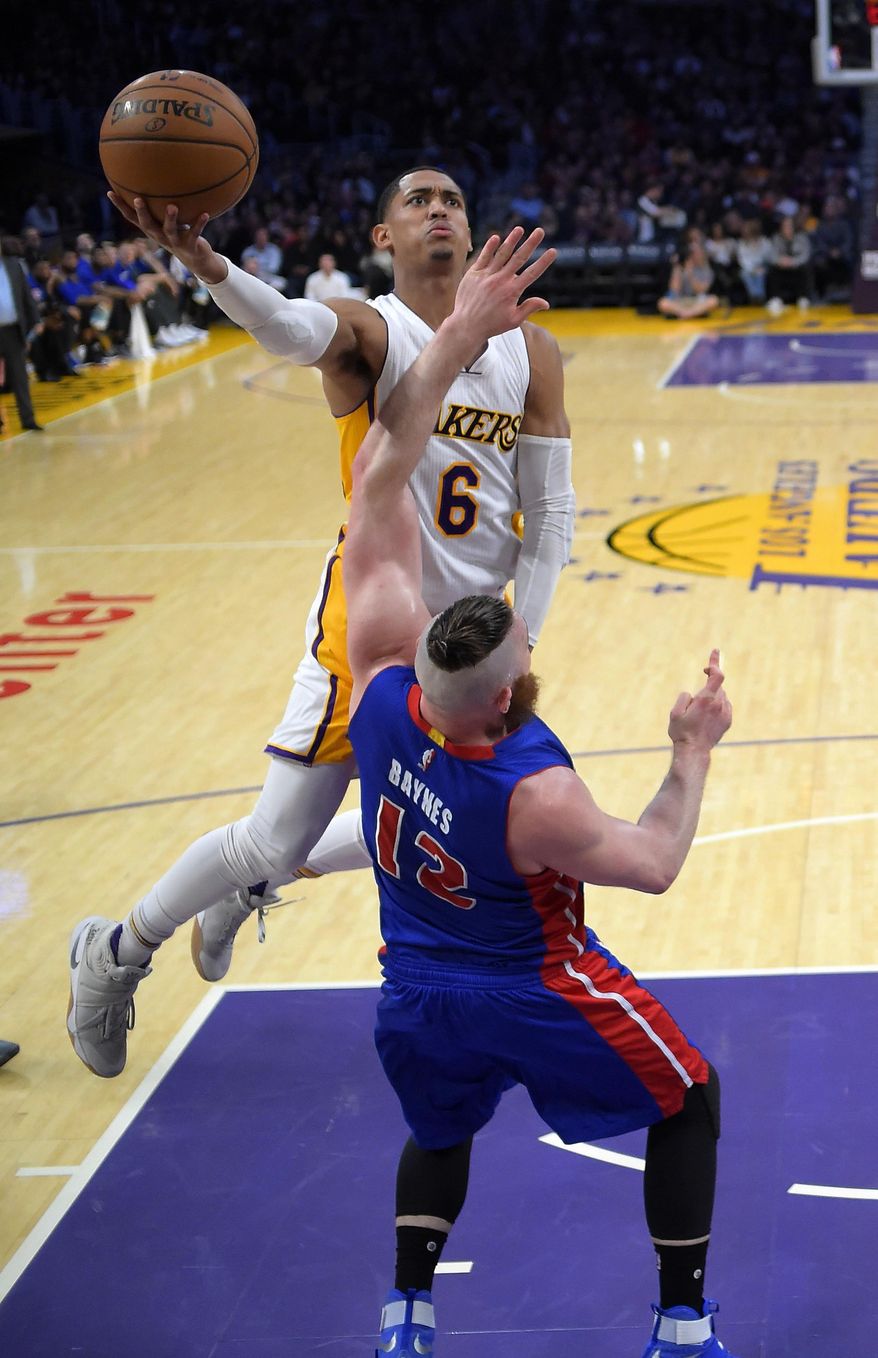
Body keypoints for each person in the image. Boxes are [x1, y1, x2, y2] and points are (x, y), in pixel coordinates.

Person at [66, 169, 575, 1078]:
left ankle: (257, 884)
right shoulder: (372, 330)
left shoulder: (533, 351)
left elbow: (554, 513)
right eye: (416, 200)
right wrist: (212, 265)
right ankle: (115, 952)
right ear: (384, 235)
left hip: (467, 643)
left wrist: (521, 634)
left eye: (453, 198)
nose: (439, 209)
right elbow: (289, 326)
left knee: (453, 827)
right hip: (369, 626)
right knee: (273, 832)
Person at [336, 227, 737, 1357]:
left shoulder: (376, 683)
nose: (523, 625)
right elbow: (653, 862)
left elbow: (379, 470)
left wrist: (456, 335)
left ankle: (406, 1314)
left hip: (411, 985)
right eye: (520, 646)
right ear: (505, 699)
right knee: (689, 1097)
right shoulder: (534, 791)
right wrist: (689, 747)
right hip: (529, 981)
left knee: (439, 1119)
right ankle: (682, 1325)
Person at [0, 239, 43, 432]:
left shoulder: (13, 265)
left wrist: (36, 320)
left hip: (12, 329)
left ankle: (28, 419)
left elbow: (25, 295)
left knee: (20, 376)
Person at [658, 240, 719, 319]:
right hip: (680, 301)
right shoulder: (679, 267)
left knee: (714, 300)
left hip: (696, 301)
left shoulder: (707, 271)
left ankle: (687, 314)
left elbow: (701, 290)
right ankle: (689, 313)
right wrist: (677, 267)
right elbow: (674, 290)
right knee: (662, 303)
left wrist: (690, 274)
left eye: (697, 252)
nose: (695, 255)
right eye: (692, 253)